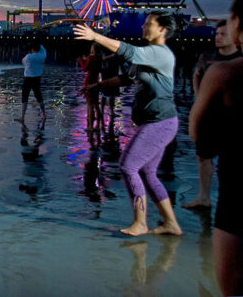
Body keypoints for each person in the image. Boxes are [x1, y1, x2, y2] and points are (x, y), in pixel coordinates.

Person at [74, 12, 182, 237]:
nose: (143, 26)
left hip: (159, 122)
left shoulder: (160, 53)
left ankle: (140, 223)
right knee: (148, 173)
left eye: (149, 23)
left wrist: (95, 36)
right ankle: (171, 223)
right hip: (155, 122)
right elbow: (125, 80)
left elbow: (129, 51)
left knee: (128, 166)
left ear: (162, 30)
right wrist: (95, 87)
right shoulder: (148, 57)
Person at [190, 0, 243, 296]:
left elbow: (199, 132)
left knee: (233, 285)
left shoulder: (224, 73)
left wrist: (200, 84)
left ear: (237, 23)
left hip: (238, 189)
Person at [183, 19, 241, 210]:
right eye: (216, 34)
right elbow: (196, 75)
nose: (218, 37)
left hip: (232, 117)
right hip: (209, 115)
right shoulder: (207, 56)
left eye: (223, 34)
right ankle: (204, 197)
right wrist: (199, 98)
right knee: (204, 156)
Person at [20, 40, 47, 125]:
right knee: (39, 97)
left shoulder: (28, 57)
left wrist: (29, 51)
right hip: (37, 79)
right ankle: (43, 114)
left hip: (28, 79)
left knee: (25, 98)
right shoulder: (42, 56)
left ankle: (22, 117)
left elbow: (23, 61)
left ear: (31, 49)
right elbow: (43, 50)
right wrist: (39, 45)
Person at [78, 43, 103, 135]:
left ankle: (90, 126)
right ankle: (98, 125)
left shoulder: (90, 57)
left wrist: (81, 61)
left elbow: (85, 68)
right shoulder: (99, 58)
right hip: (96, 81)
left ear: (92, 49)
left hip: (89, 81)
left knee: (89, 105)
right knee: (96, 104)